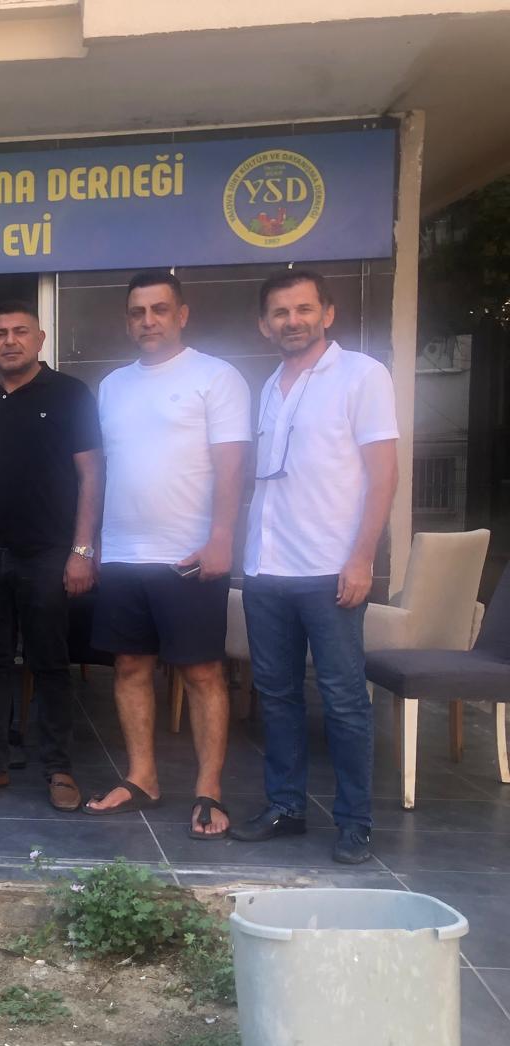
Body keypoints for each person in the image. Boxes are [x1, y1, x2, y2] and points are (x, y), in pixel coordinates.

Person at [229, 268, 398, 865]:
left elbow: (384, 475)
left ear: (327, 313)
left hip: (331, 569)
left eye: (303, 309)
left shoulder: (362, 375)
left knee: (344, 700)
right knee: (276, 697)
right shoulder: (269, 386)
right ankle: (286, 807)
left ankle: (355, 821)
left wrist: (362, 557)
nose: (291, 321)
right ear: (264, 324)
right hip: (267, 569)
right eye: (279, 312)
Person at [82, 273, 249, 838]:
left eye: (159, 309)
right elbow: (107, 469)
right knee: (130, 668)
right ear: (127, 320)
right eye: (137, 312)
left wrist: (222, 538)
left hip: (190, 553)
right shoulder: (112, 386)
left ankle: (209, 790)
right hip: (124, 554)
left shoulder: (216, 376)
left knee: (202, 672)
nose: (147, 320)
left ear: (182, 315)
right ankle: (143, 778)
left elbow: (231, 467)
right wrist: (95, 543)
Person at [0, 301, 101, 811]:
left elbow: (91, 474)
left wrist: (82, 550)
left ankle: (58, 768)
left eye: (20, 332)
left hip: (48, 554)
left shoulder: (70, 393)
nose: (9, 341)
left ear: (39, 340)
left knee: (49, 662)